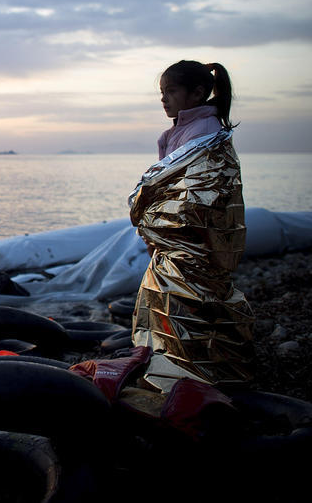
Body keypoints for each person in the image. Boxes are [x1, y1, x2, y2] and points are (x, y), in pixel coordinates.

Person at [129, 60, 254, 392]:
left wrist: (155, 218)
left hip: (193, 240)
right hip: (175, 240)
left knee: (189, 300)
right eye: (162, 92)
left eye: (171, 91)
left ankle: (197, 373)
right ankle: (176, 365)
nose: (164, 99)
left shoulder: (205, 132)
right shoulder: (179, 131)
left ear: (197, 93)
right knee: (172, 301)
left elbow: (201, 195)